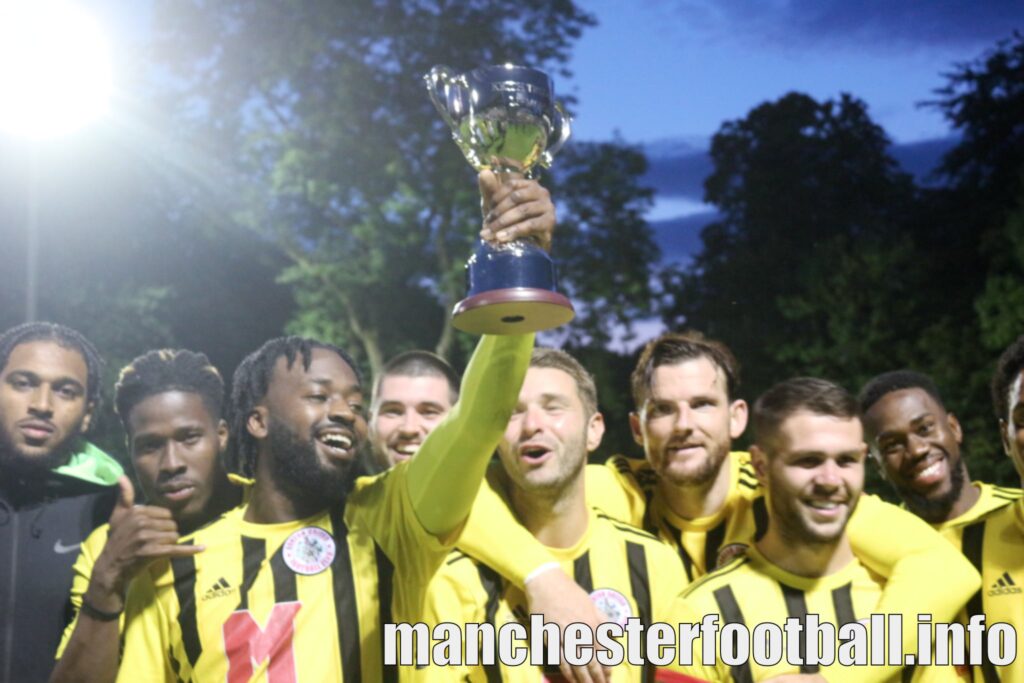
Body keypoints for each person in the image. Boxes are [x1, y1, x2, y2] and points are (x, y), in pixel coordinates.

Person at [114, 172, 551, 682]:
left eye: (354, 401)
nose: (344, 411)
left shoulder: (394, 518)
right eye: (319, 396)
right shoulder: (174, 572)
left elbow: (478, 421)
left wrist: (518, 267)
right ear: (257, 420)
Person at [483, 332, 981, 682]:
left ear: (736, 417)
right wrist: (541, 577)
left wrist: (834, 676)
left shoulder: (785, 486)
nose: (684, 424)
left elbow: (943, 569)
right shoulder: (618, 486)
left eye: (702, 404)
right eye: (662, 410)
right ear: (638, 430)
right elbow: (477, 497)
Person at [663, 378, 971, 682]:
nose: (830, 479)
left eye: (846, 461)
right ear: (760, 467)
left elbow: (948, 571)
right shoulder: (701, 614)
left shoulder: (910, 602)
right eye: (808, 461)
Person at [423, 348, 685, 681]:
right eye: (513, 414)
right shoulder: (454, 580)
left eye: (553, 408)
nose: (533, 425)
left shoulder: (655, 563)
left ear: (594, 430)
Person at [51, 349, 243, 683]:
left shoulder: (272, 514)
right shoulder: (107, 546)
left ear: (221, 435)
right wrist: (108, 580)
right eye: (150, 446)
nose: (171, 463)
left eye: (189, 438)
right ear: (131, 449)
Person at [0, 322, 123, 683]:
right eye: (23, 383)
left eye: (66, 391)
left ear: (87, 413)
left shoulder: (112, 512)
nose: (41, 405)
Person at [859, 370, 1021, 543]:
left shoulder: (1018, 512)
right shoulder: (879, 545)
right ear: (878, 466)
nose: (916, 450)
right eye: (892, 445)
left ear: (954, 428)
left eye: (924, 428)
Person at [368, 350, 460, 471]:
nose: (409, 429)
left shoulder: (483, 490)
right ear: (370, 424)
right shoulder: (361, 490)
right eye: (393, 412)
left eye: (429, 412)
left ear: (460, 424)